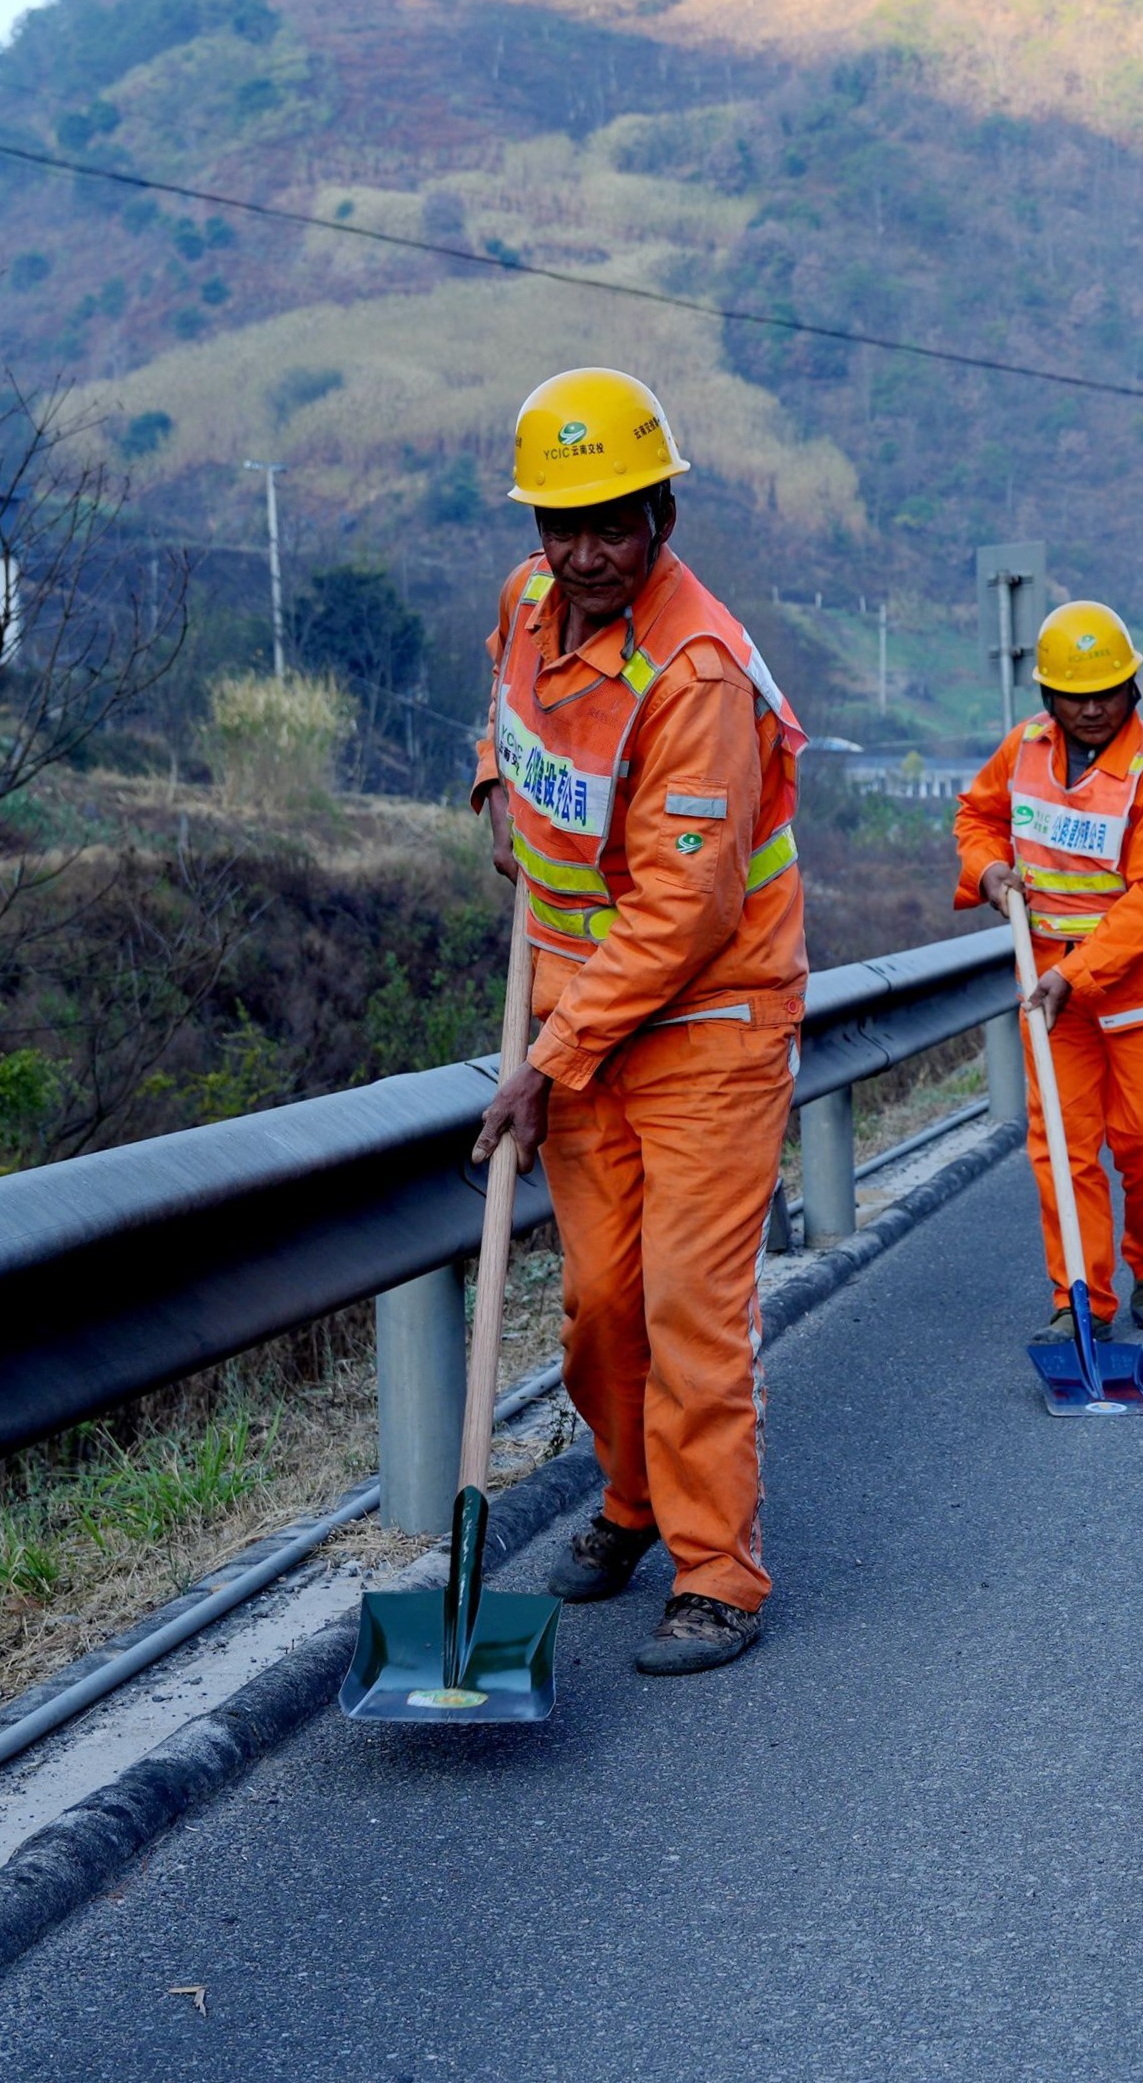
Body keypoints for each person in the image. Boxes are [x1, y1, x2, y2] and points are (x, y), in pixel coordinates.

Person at [470, 367, 805, 1679]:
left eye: (613, 523)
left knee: (688, 1309)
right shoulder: (526, 601)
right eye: (563, 525)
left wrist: (545, 1060)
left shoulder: (698, 672)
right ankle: (631, 1497)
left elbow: (684, 911)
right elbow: (509, 707)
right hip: (579, 1003)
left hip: (709, 1016)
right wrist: (494, 778)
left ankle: (716, 1572)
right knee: (600, 1306)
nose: (586, 553)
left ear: (661, 515)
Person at [952, 600, 1143, 1340]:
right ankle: (1080, 1302)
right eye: (1075, 695)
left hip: (1141, 988)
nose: (1093, 708)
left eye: (1107, 692)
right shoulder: (1023, 748)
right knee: (1063, 1146)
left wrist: (1076, 974)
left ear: (1132, 687)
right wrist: (989, 871)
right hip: (1051, 986)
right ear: (1048, 695)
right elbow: (978, 817)